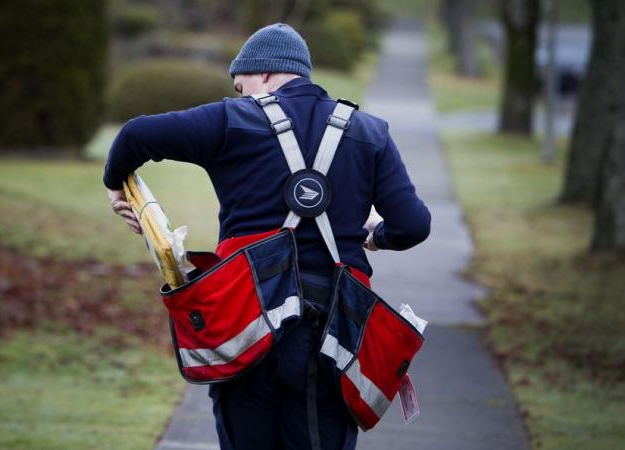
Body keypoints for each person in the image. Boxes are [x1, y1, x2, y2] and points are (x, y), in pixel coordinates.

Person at [104, 22, 430, 450]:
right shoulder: (370, 133)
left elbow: (135, 136)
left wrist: (116, 187)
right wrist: (374, 238)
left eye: (242, 87)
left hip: (244, 326)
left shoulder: (232, 120)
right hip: (331, 334)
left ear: (263, 74)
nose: (242, 95)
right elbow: (413, 226)